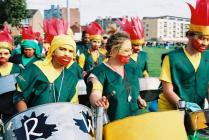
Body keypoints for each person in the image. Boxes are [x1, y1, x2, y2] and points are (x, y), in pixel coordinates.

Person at [15, 18, 82, 112]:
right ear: (53, 51)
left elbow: (73, 107)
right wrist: (25, 118)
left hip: (61, 122)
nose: (66, 54)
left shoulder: (71, 78)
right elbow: (19, 96)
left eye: (71, 51)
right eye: (62, 49)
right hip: (34, 122)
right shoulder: (36, 68)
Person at [158, 0, 209, 112]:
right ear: (189, 36)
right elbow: (167, 91)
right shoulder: (172, 58)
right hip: (170, 111)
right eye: (201, 38)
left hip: (195, 111)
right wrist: (184, 107)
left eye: (208, 39)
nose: (205, 43)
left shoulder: (207, 57)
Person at [88, 32, 147, 122]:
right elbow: (95, 93)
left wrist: (139, 99)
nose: (130, 53)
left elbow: (133, 89)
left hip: (135, 124)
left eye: (130, 50)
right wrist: (98, 101)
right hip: (113, 127)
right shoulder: (99, 72)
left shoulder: (131, 67)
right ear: (113, 51)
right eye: (126, 50)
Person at [0, 26, 23, 121]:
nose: (2, 56)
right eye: (0, 53)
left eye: (5, 53)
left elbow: (23, 89)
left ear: (10, 54)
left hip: (14, 110)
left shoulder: (18, 69)